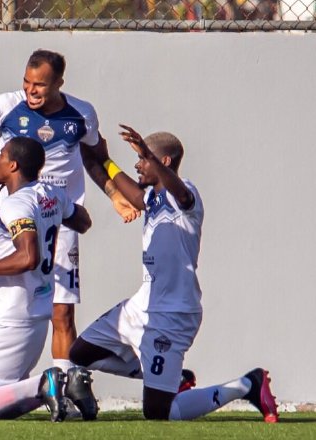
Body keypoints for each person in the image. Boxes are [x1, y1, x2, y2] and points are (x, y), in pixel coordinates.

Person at [0, 50, 139, 411]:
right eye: (26, 81)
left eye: (40, 84)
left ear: (59, 84)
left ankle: (63, 385)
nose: (30, 90)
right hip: (20, 222)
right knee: (21, 299)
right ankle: (43, 385)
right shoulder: (6, 106)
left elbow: (97, 156)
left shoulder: (80, 114)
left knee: (60, 312)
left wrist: (115, 195)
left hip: (56, 216)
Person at [69, 125, 279, 423]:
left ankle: (247, 385)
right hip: (139, 308)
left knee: (158, 413)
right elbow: (119, 182)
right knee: (79, 353)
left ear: (163, 162)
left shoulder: (186, 195)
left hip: (173, 314)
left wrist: (146, 153)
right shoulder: (151, 199)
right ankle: (170, 375)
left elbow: (178, 191)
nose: (138, 165)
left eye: (143, 159)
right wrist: (102, 159)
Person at [0, 136, 94, 422]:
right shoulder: (50, 193)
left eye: (1, 156)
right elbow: (83, 222)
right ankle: (55, 387)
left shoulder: (15, 205)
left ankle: (52, 383)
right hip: (38, 315)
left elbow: (27, 258)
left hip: (11, 318)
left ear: (12, 164)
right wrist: (52, 209)